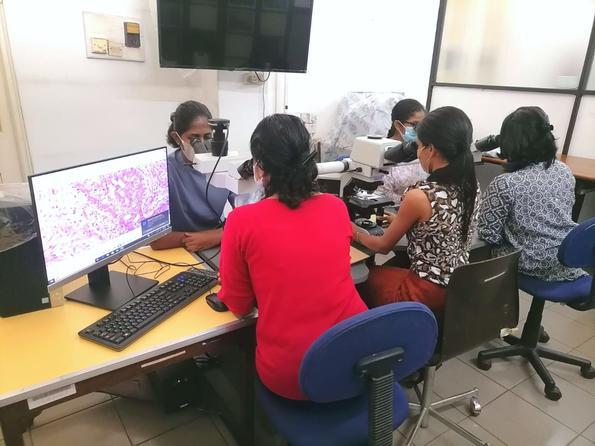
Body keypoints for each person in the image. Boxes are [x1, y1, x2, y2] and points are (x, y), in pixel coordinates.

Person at [217, 114, 367, 400]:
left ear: (259, 169)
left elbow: (239, 305)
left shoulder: (242, 221)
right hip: (356, 358)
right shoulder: (336, 207)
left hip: (294, 376)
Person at [355, 106, 480, 313]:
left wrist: (353, 232)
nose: (418, 152)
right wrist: (400, 219)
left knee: (363, 278)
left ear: (431, 150)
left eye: (419, 146)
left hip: (423, 293)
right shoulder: (471, 185)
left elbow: (381, 246)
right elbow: (444, 227)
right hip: (457, 286)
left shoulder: (420, 195)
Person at [478, 106, 586, 281]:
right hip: (568, 257)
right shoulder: (564, 171)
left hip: (534, 262)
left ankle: (488, 304)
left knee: (478, 250)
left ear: (510, 143)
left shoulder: (506, 183)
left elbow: (488, 234)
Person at [150, 100, 234, 252]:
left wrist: (216, 236)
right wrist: (197, 239)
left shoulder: (224, 165)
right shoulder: (163, 172)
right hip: (180, 248)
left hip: (217, 243)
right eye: (194, 138)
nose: (202, 144)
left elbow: (250, 218)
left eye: (208, 137)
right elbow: (156, 240)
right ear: (177, 139)